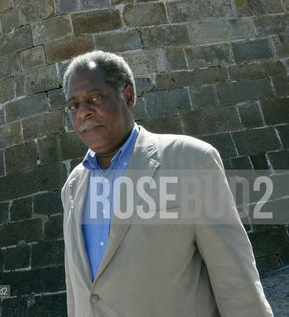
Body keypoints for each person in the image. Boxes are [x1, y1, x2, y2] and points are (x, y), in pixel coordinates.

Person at [60, 51, 273, 317]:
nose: (83, 113)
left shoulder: (191, 161)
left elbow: (235, 278)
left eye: (94, 98)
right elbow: (78, 291)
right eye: (73, 106)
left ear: (127, 96)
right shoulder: (72, 187)